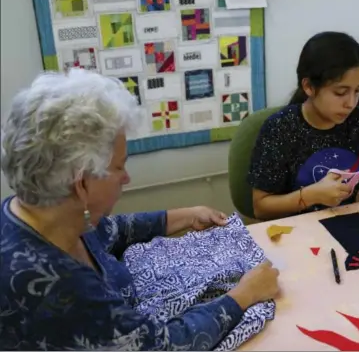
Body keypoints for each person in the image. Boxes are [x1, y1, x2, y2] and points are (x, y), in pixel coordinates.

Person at [0, 69, 280, 350]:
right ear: (82, 183)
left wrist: (185, 215)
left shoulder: (47, 213)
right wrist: (244, 294)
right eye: (120, 166)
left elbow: (111, 231)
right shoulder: (58, 288)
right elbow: (160, 347)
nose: (126, 178)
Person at [248, 32, 359, 220]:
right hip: (292, 230)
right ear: (309, 87)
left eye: (358, 90)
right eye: (340, 92)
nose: (350, 103)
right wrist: (310, 196)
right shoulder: (280, 128)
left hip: (344, 222)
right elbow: (261, 208)